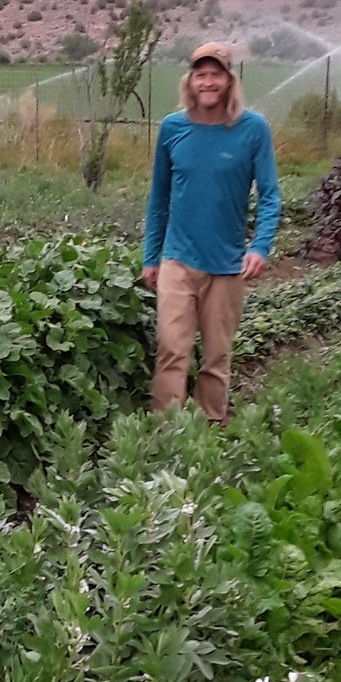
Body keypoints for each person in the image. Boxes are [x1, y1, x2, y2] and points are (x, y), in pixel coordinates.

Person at [141, 42, 281, 421]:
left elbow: (270, 195)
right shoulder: (173, 129)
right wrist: (150, 257)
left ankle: (210, 429)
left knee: (216, 357)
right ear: (190, 81)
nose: (208, 82)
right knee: (171, 350)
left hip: (227, 265)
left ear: (229, 80)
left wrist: (260, 246)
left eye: (215, 74)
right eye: (201, 74)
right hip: (178, 260)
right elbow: (159, 199)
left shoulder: (252, 129)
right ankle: (165, 431)